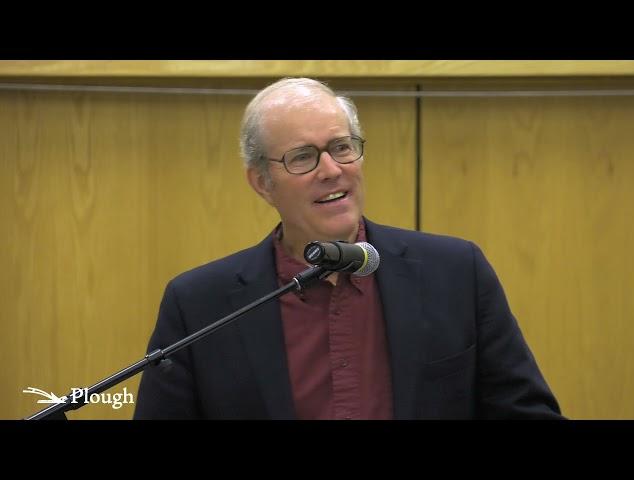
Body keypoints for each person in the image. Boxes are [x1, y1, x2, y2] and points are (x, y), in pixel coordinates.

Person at [133, 77, 563, 420]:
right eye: (303, 157)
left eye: (342, 147)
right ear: (262, 182)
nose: (331, 170)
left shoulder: (455, 273)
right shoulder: (199, 305)